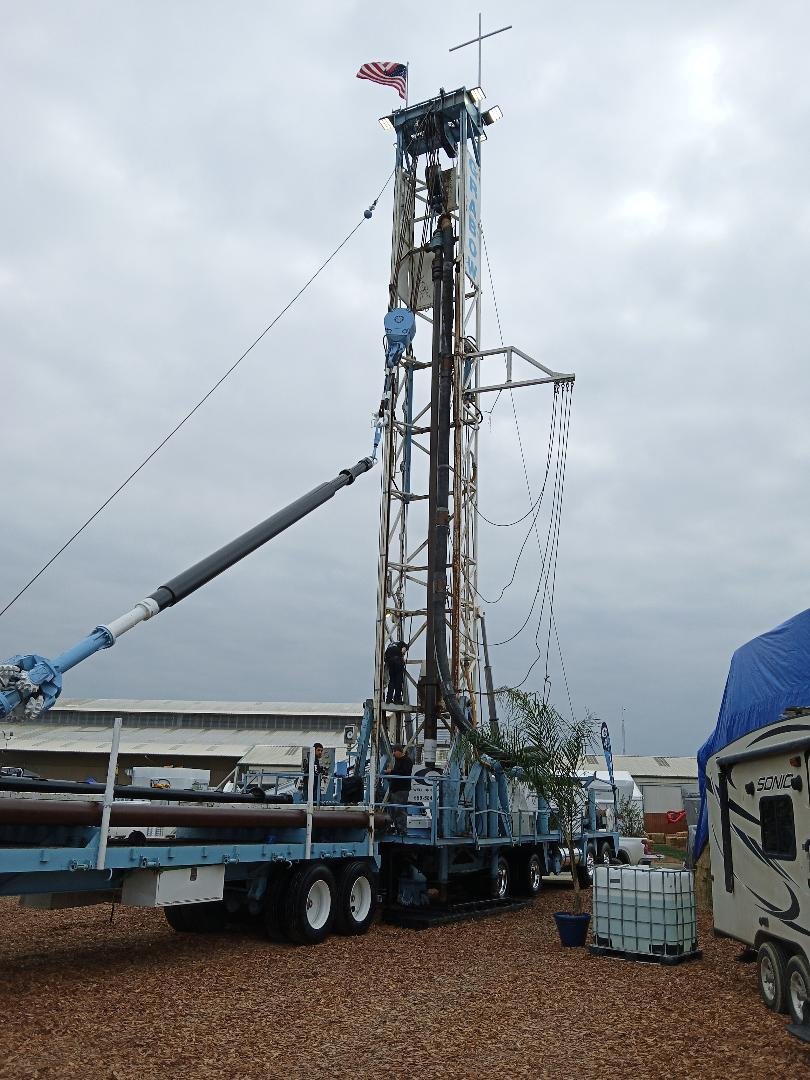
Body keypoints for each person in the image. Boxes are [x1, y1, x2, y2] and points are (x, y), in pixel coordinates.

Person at [385, 744, 413, 835]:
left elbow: (404, 773)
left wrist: (391, 772)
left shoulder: (407, 761)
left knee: (400, 810)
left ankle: (402, 830)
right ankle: (395, 827)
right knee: (393, 809)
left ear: (399, 751)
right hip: (395, 789)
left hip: (402, 789)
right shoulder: (396, 760)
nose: (393, 753)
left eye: (394, 751)